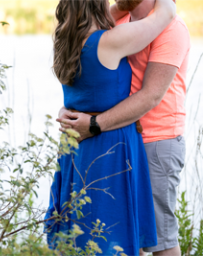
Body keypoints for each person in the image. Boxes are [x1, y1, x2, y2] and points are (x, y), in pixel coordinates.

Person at [57, 0, 190, 254]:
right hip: (122, 142)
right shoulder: (117, 24)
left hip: (156, 142)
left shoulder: (171, 29)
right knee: (131, 236)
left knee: (161, 239)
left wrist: (93, 123)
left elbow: (151, 96)